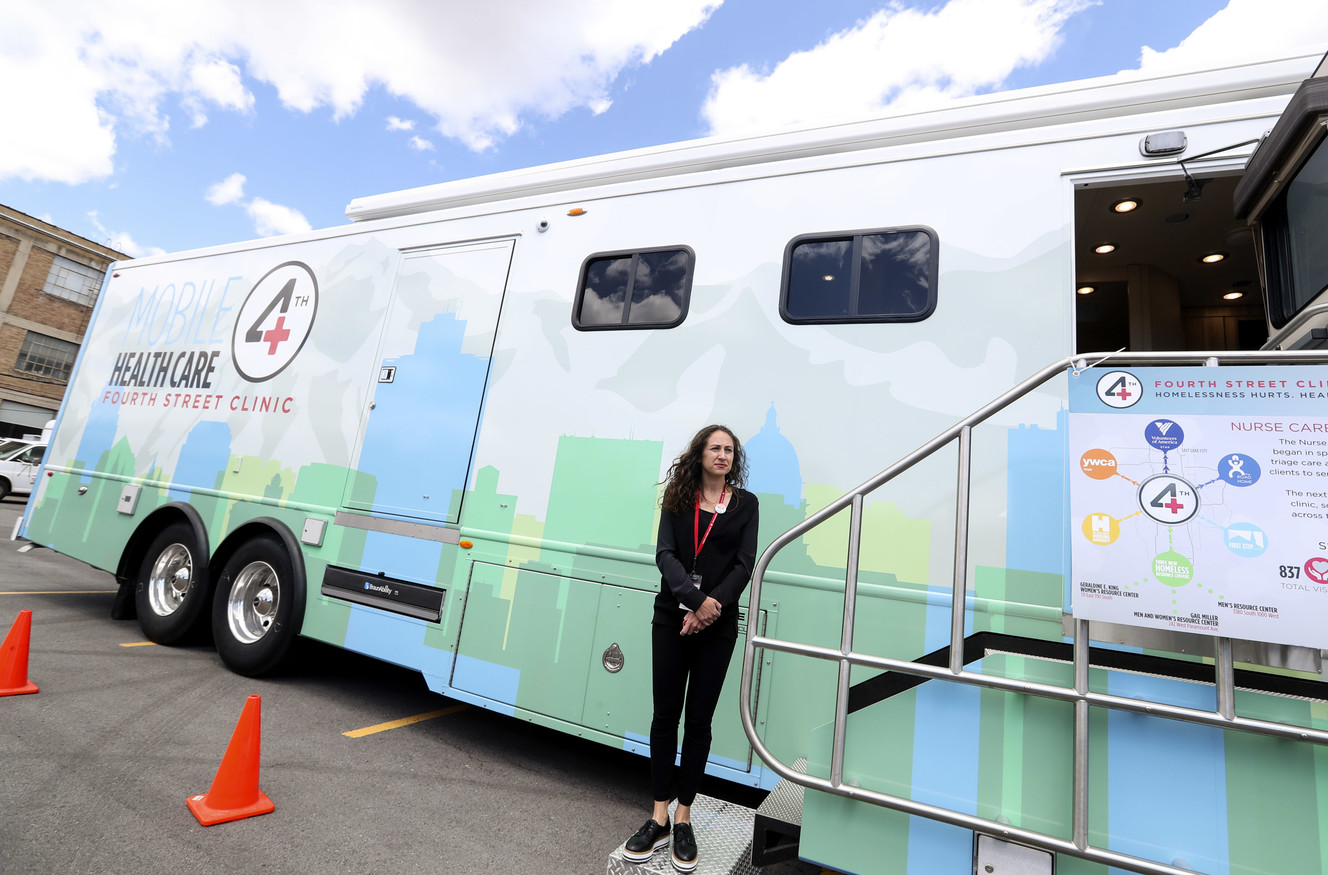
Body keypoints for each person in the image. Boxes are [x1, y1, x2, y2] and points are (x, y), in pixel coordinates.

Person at [621, 424, 759, 872]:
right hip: (671, 618)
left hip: (717, 625)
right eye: (715, 448)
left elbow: (745, 563)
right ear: (699, 453)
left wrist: (710, 608)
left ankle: (684, 818)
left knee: (699, 722)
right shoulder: (678, 500)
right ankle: (658, 816)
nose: (722, 455)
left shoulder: (745, 504)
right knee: (665, 717)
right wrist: (695, 600)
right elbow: (666, 555)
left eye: (729, 450)